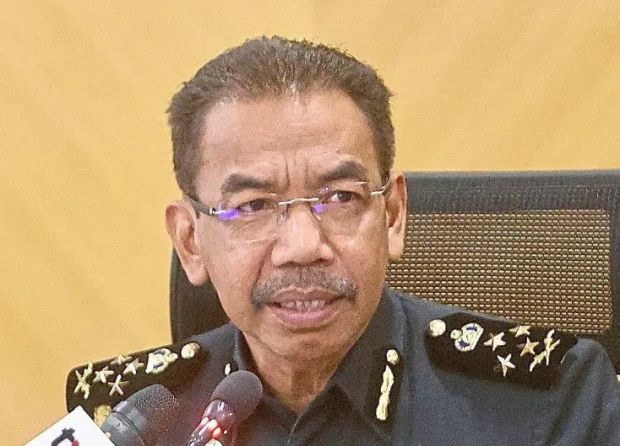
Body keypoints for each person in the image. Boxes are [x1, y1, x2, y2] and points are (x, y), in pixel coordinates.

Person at [67, 36, 619, 445]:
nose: (303, 246)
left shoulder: (550, 404)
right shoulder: (127, 421)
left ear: (393, 215)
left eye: (338, 197)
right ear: (190, 241)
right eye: (254, 206)